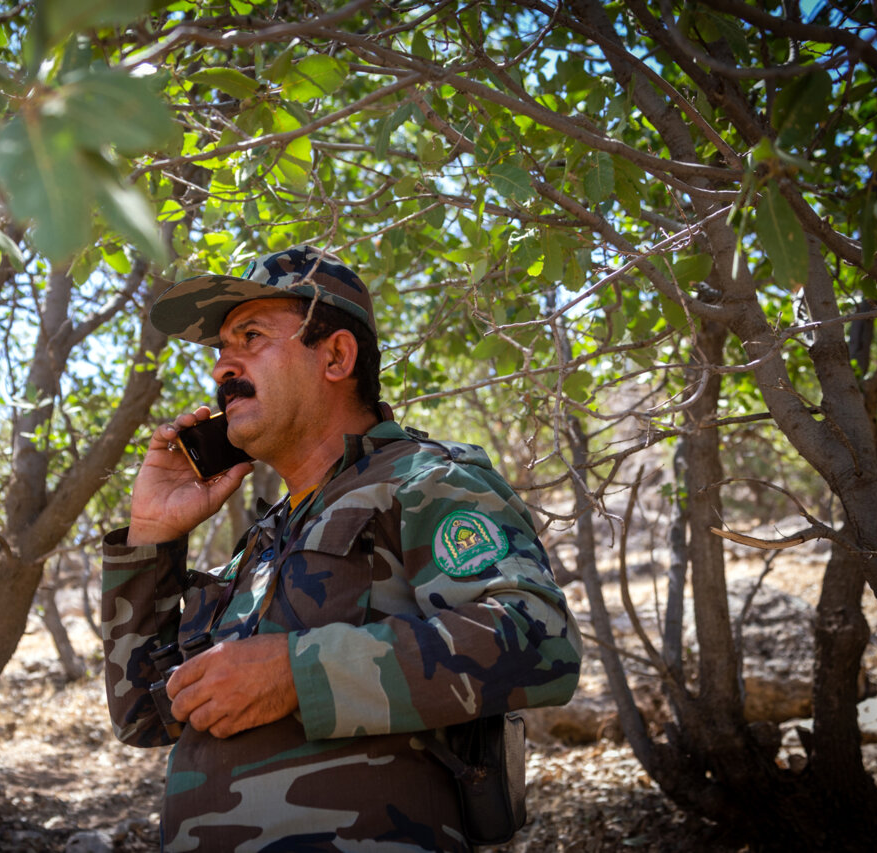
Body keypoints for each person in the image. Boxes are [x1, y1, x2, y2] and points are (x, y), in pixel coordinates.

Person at [101, 245, 581, 851]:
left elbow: (541, 639)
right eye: (221, 349)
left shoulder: (425, 481)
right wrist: (153, 532)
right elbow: (143, 713)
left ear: (335, 356)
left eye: (250, 336)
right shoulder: (266, 537)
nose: (224, 366)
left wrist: (296, 675)